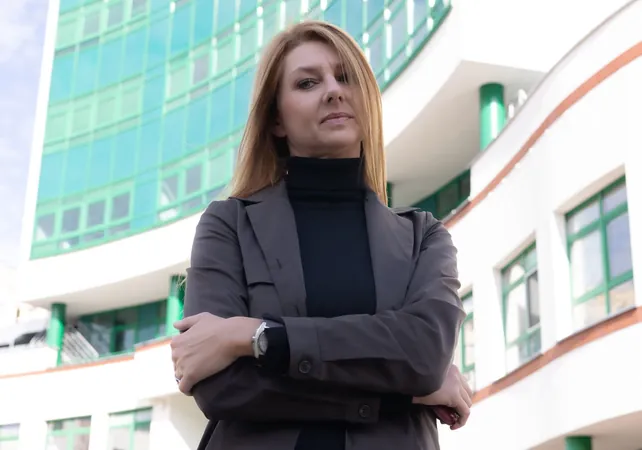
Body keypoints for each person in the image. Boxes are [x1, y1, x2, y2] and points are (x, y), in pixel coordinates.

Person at [170, 19, 472, 450]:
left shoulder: (423, 236)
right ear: (277, 119)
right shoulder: (229, 224)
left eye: (345, 77)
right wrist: (401, 392)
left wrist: (254, 336)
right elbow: (221, 387)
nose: (333, 91)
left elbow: (424, 354)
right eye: (308, 82)